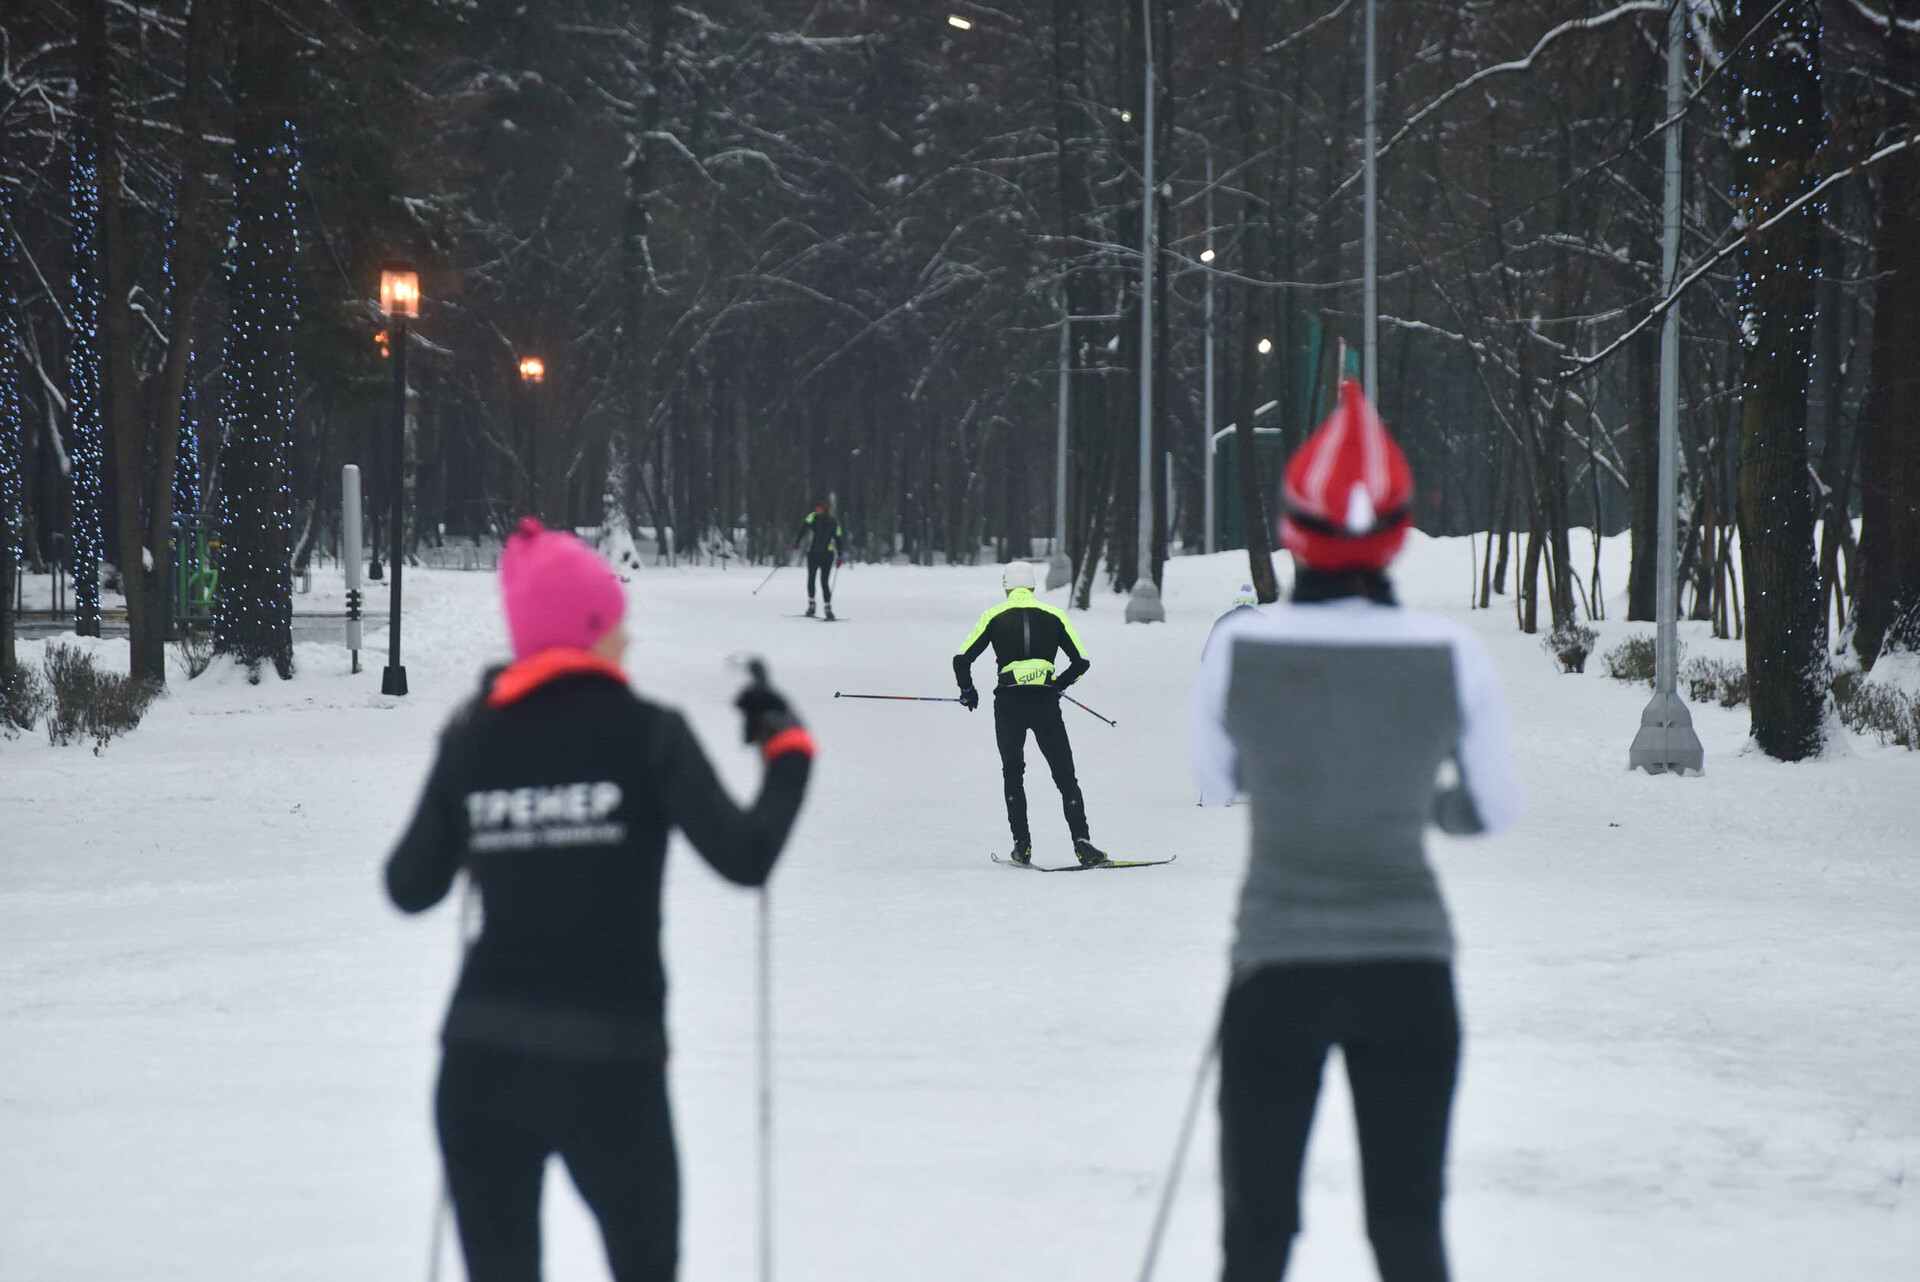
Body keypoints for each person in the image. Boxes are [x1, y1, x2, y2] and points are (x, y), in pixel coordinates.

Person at [385, 517, 815, 1282]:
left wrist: (472, 773)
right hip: (610, 1065)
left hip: (481, 1064)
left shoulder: (476, 739)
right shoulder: (646, 733)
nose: (628, 639)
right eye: (616, 622)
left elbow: (410, 886)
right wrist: (786, 750)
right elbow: (745, 858)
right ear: (588, 629)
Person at [1189, 381, 1520, 1282]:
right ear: (1400, 529)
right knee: (1409, 1228)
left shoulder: (1237, 652)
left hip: (1276, 972)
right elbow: (1490, 810)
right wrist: (1411, 801)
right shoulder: (1451, 656)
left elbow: (1220, 782)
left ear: (1293, 527)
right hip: (1410, 973)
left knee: (1257, 1235)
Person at [953, 560, 1107, 867]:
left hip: (1009, 704)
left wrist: (968, 691)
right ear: (1034, 587)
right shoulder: (1054, 615)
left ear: (1007, 588)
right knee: (1065, 775)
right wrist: (1057, 685)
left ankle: (1021, 845)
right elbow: (1081, 662)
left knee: (1013, 772)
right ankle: (1082, 842)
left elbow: (961, 660)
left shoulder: (993, 616)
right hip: (1044, 704)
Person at [792, 503, 844, 619]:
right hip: (826, 555)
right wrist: (840, 555)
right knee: (822, 581)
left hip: (814, 554)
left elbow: (803, 528)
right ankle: (826, 608)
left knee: (814, 579)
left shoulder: (813, 517)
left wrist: (797, 542)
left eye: (819, 508)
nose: (818, 510)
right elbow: (838, 539)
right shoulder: (834, 521)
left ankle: (813, 606)